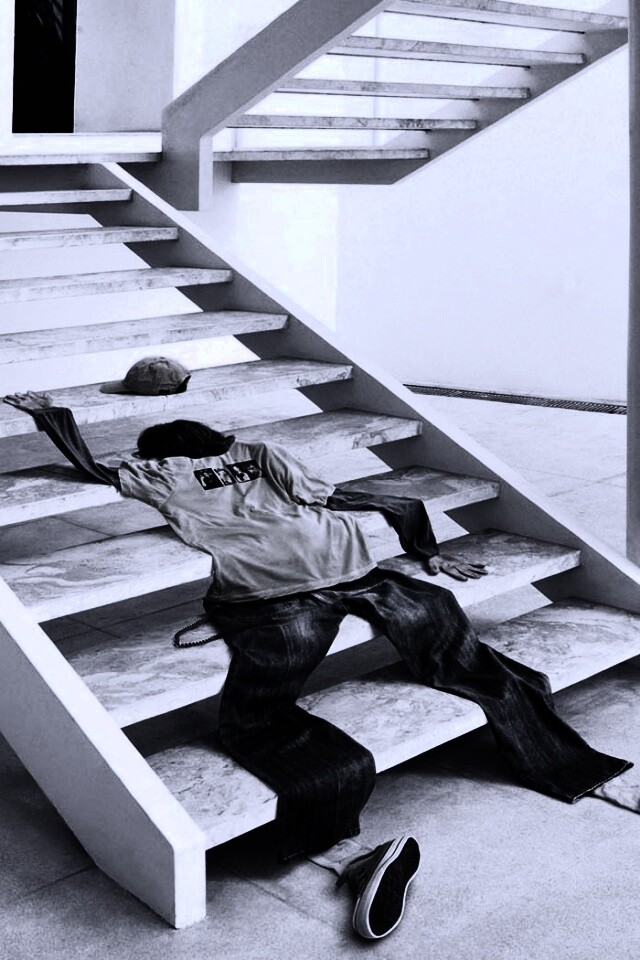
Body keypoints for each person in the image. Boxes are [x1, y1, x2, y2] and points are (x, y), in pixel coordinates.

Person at [3, 385, 634, 942]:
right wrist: (427, 554)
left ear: (159, 451)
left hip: (269, 594)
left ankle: (345, 852)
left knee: (261, 714)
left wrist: (51, 416)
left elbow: (88, 466)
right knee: (467, 661)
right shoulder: (259, 452)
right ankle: (590, 774)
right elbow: (369, 499)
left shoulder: (160, 472)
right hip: (356, 570)